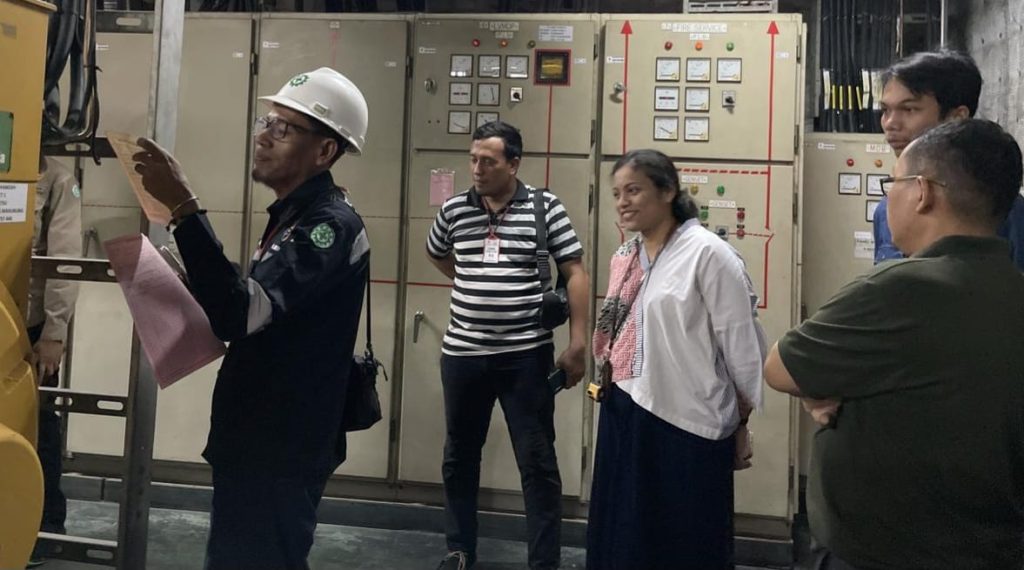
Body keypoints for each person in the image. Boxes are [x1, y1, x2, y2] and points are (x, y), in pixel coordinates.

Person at [132, 67, 370, 569]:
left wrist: (185, 207)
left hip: (280, 444)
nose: (263, 136)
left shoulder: (328, 225)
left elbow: (243, 313)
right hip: (258, 436)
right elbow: (254, 309)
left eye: (284, 128)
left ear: (325, 150)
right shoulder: (294, 215)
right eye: (266, 121)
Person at [765, 119, 1024, 569]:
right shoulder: (1012, 289)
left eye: (893, 183)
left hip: (882, 551)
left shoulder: (896, 288)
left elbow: (780, 368)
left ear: (922, 192)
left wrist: (819, 388)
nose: (887, 198)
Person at [586, 149, 764, 570]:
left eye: (634, 190)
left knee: (683, 543)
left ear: (667, 191)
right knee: (624, 540)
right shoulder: (626, 256)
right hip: (625, 411)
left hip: (687, 423)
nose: (623, 202)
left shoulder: (708, 255)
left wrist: (742, 424)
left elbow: (741, 349)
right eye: (617, 193)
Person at [426, 120, 589, 570]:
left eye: (488, 161)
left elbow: (575, 272)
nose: (477, 169)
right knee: (459, 457)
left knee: (537, 463)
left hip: (525, 357)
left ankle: (544, 562)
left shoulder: (545, 208)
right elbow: (437, 252)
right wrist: (473, 282)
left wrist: (578, 343)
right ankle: (459, 551)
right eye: (473, 160)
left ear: (513, 164)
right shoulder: (455, 210)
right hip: (462, 356)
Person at [873, 49, 1024, 269]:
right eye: (885, 110)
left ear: (956, 117)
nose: (890, 123)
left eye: (909, 109)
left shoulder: (1002, 210)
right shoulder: (887, 210)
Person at [25, 154, 82, 566]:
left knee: (39, 424)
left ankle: (44, 526)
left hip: (29, 327)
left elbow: (65, 259)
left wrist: (54, 332)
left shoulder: (58, 179)